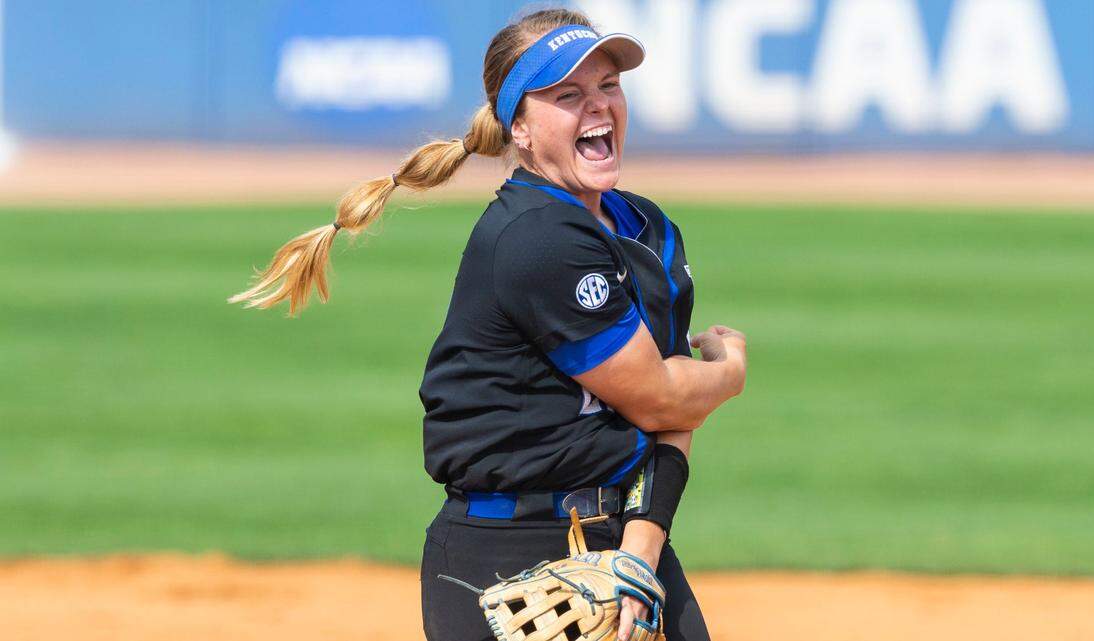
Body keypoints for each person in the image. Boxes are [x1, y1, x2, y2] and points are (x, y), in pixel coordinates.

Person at [229, 8, 747, 641]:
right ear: (520, 129)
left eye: (609, 85)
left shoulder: (646, 228)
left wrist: (640, 552)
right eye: (568, 95)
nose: (599, 107)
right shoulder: (537, 237)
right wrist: (729, 372)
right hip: (505, 556)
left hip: (630, 540)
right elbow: (664, 393)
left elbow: (671, 419)